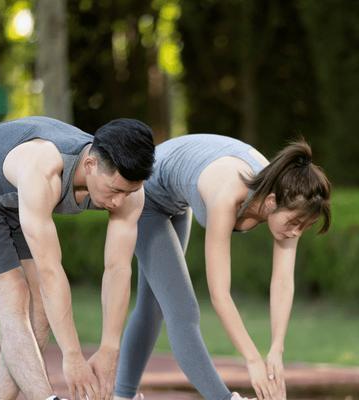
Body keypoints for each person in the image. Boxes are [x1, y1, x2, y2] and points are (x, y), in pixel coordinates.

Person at [0, 116, 155, 400]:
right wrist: (72, 356)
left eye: (129, 192)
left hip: (14, 198)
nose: (118, 202)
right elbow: (51, 271)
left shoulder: (130, 192)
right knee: (14, 294)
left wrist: (109, 349)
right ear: (90, 165)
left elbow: (118, 269)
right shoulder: (42, 171)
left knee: (41, 306)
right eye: (114, 191)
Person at [113, 134, 331, 400]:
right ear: (272, 202)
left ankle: (121, 396)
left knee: (153, 304)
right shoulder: (228, 195)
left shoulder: (289, 195)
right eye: (294, 222)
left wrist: (276, 349)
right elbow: (220, 294)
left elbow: (283, 281)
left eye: (304, 227)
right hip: (147, 193)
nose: (296, 231)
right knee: (183, 310)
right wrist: (252, 359)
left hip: (178, 196)